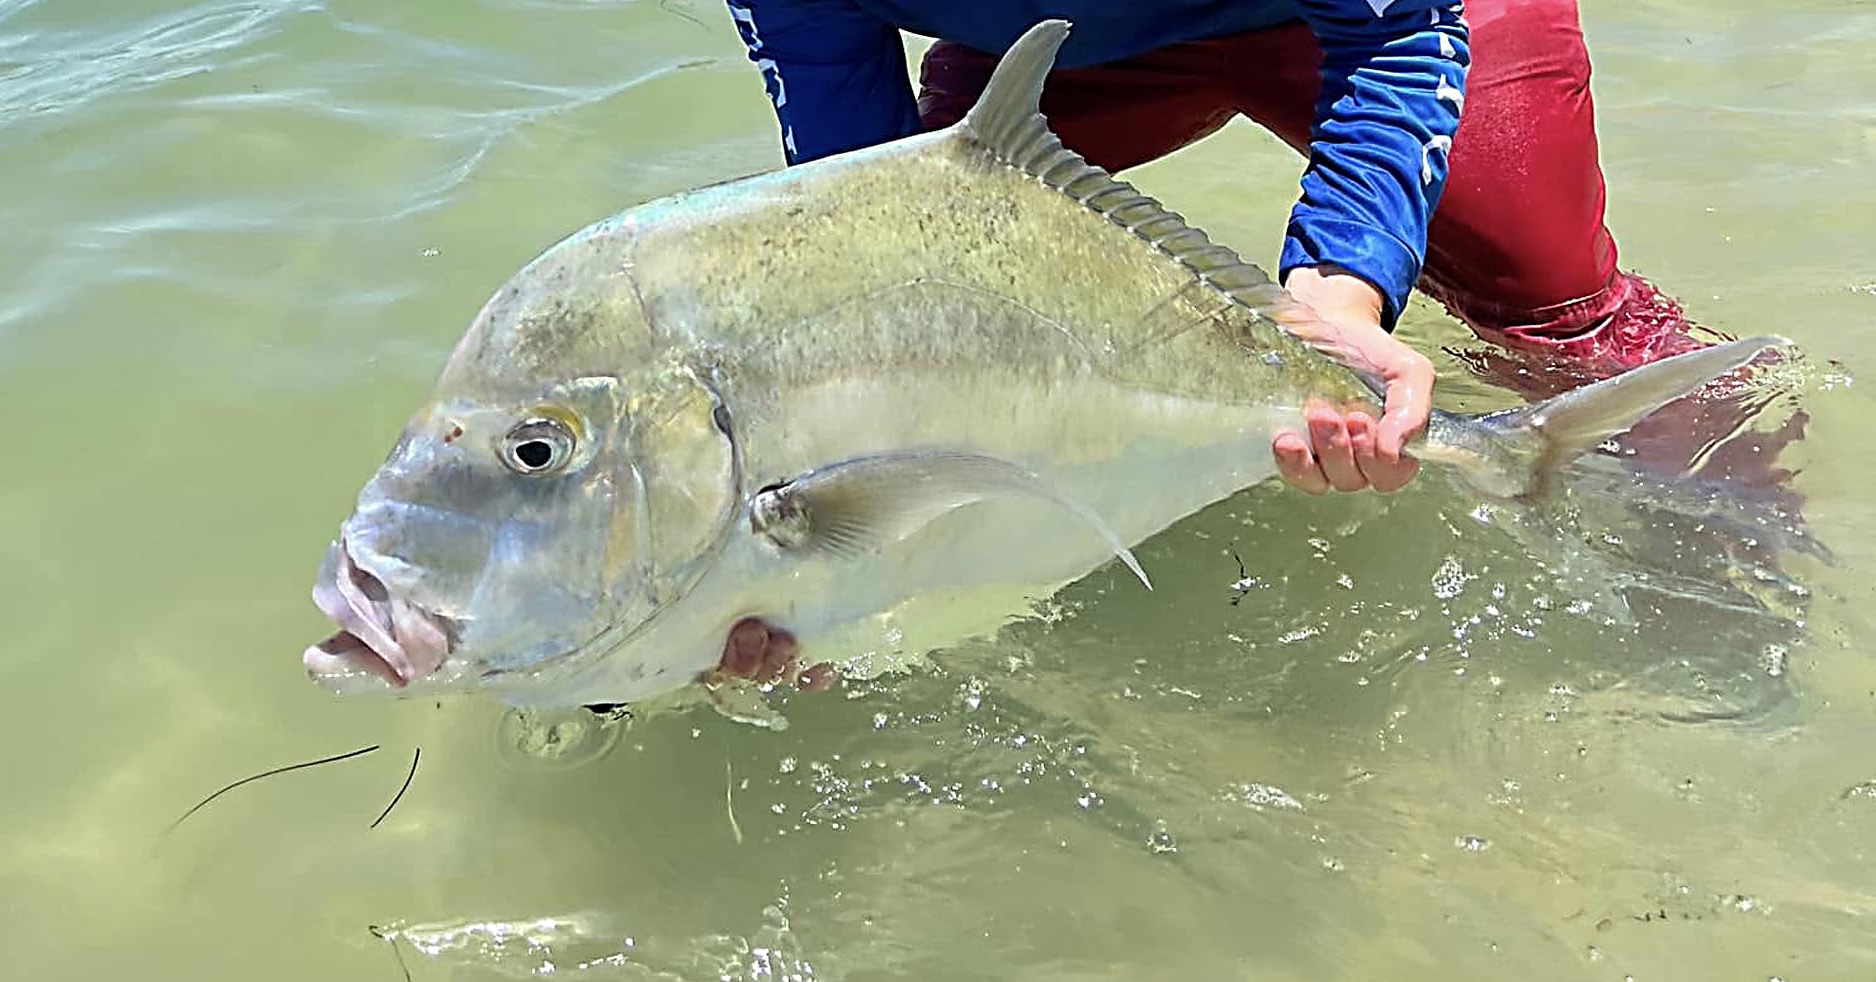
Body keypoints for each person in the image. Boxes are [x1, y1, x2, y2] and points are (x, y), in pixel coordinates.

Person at [706, 0, 1803, 687]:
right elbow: (865, 221)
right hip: (1061, 42)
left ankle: (1743, 585)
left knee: (1560, 313)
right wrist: (805, 578)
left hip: (1385, 21)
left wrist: (1340, 299)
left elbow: (1395, 35)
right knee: (942, 322)